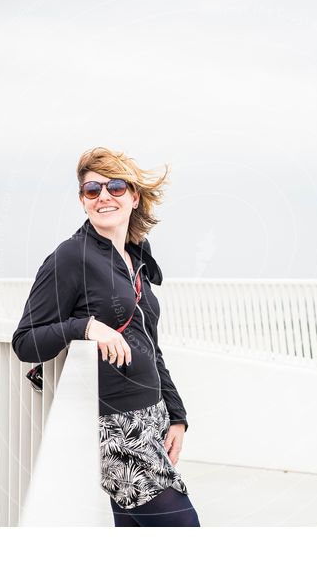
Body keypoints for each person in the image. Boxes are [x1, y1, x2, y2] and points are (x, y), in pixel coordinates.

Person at [12, 146, 201, 527]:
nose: (103, 197)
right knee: (184, 530)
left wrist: (176, 416)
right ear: (83, 201)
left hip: (152, 420)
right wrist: (84, 328)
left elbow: (150, 344)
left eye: (115, 187)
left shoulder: (137, 258)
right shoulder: (70, 257)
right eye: (91, 190)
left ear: (134, 196)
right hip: (116, 429)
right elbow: (25, 341)